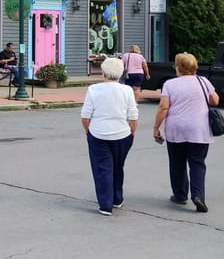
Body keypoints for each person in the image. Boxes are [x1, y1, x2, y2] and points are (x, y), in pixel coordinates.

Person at [153, 52, 219, 213]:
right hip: (199, 128)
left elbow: (163, 108)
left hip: (176, 128)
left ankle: (180, 195)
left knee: (177, 163)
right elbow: (215, 100)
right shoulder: (204, 81)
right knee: (197, 163)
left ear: (178, 68)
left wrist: (156, 127)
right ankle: (198, 196)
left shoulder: (170, 84)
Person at [80, 57, 139, 216]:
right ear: (120, 74)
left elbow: (85, 116)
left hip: (99, 133)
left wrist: (89, 131)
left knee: (102, 168)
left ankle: (105, 204)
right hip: (122, 133)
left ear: (103, 73)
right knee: (118, 166)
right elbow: (133, 116)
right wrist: (132, 131)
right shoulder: (127, 90)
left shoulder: (93, 89)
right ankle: (117, 198)